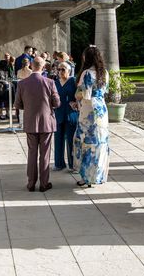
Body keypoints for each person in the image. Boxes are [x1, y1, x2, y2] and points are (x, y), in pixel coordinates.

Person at [15, 57, 60, 192]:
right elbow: (57, 103)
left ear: (32, 66)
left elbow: (17, 104)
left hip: (30, 122)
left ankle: (31, 183)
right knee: (45, 154)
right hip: (46, 122)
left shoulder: (22, 83)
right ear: (43, 67)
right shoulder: (50, 82)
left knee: (32, 153)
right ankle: (44, 183)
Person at [73, 46, 110, 187]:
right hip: (101, 108)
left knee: (86, 142)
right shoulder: (105, 73)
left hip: (88, 109)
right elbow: (104, 91)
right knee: (100, 142)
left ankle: (86, 177)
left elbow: (84, 94)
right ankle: (98, 175)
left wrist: (77, 95)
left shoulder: (86, 73)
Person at [54, 62, 78, 171]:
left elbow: (80, 95)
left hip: (70, 114)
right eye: (58, 69)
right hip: (58, 114)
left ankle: (73, 165)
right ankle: (59, 164)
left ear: (69, 70)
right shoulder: (54, 83)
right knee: (58, 139)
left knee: (70, 140)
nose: (60, 72)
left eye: (63, 69)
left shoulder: (73, 81)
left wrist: (76, 102)